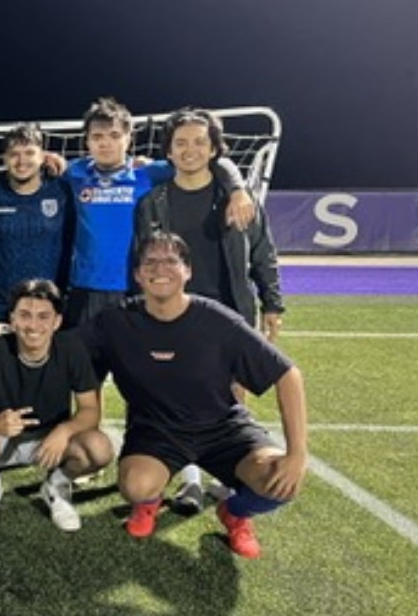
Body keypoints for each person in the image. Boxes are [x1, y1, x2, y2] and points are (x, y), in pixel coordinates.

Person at [78, 231, 308, 559]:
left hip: (224, 429)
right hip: (156, 433)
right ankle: (148, 503)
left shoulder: (217, 320)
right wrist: (3, 331)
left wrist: (297, 454)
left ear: (188, 271)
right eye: (150, 262)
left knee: (283, 482)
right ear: (137, 274)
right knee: (135, 485)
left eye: (171, 260)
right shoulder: (115, 322)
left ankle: (236, 513)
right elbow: (61, 348)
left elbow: (288, 375)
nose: (160, 269)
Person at [134, 106, 286, 514]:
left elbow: (262, 253)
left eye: (200, 142)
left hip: (231, 311)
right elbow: (142, 257)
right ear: (168, 150)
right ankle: (190, 482)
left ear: (215, 149)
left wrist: (272, 302)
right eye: (180, 142)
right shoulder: (153, 201)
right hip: (172, 315)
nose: (190, 150)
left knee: (232, 396)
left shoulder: (238, 198)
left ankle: (226, 477)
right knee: (175, 394)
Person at [61, 96, 253, 329]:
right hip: (85, 287)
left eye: (114, 136)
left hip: (136, 287)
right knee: (82, 363)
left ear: (128, 138)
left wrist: (238, 189)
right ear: (87, 141)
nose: (105, 144)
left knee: (133, 363)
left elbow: (213, 162)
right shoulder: (74, 173)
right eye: (97, 137)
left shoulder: (149, 172)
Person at [0, 278, 112, 530]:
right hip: (2, 437)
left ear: (57, 321)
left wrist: (65, 430)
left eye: (43, 316)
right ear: (12, 319)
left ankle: (57, 484)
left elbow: (90, 409)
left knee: (100, 448)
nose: (33, 325)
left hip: (51, 440)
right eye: (25, 315)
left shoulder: (72, 348)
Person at [0, 123, 75, 324]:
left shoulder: (62, 191)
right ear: (4, 158)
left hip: (52, 306)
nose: (21, 161)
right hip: (4, 308)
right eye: (14, 154)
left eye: (29, 153)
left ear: (42, 156)